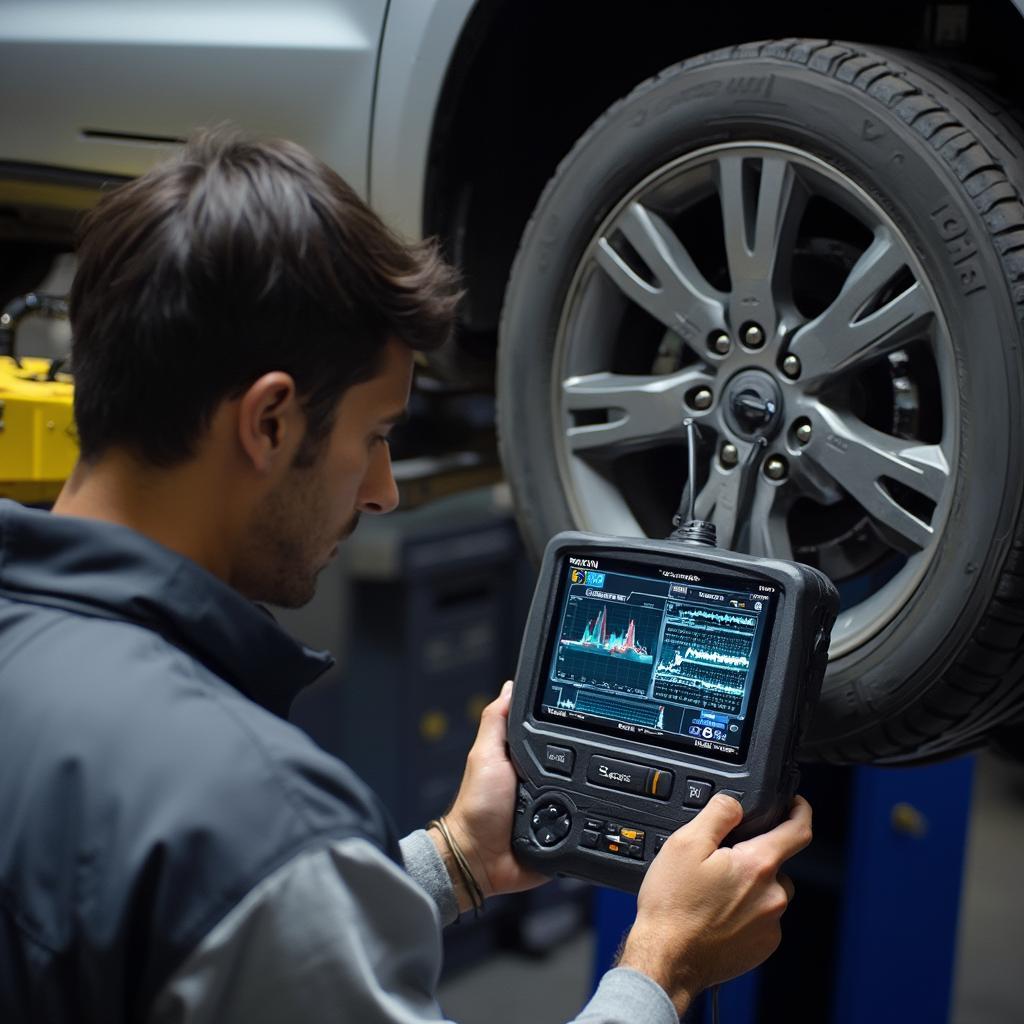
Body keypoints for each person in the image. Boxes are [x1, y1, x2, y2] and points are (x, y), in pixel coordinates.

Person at [0, 130, 812, 1024]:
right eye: (377, 436)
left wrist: (457, 858)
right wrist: (663, 965)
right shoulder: (253, 815)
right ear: (270, 422)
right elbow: (253, 889)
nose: (384, 491)